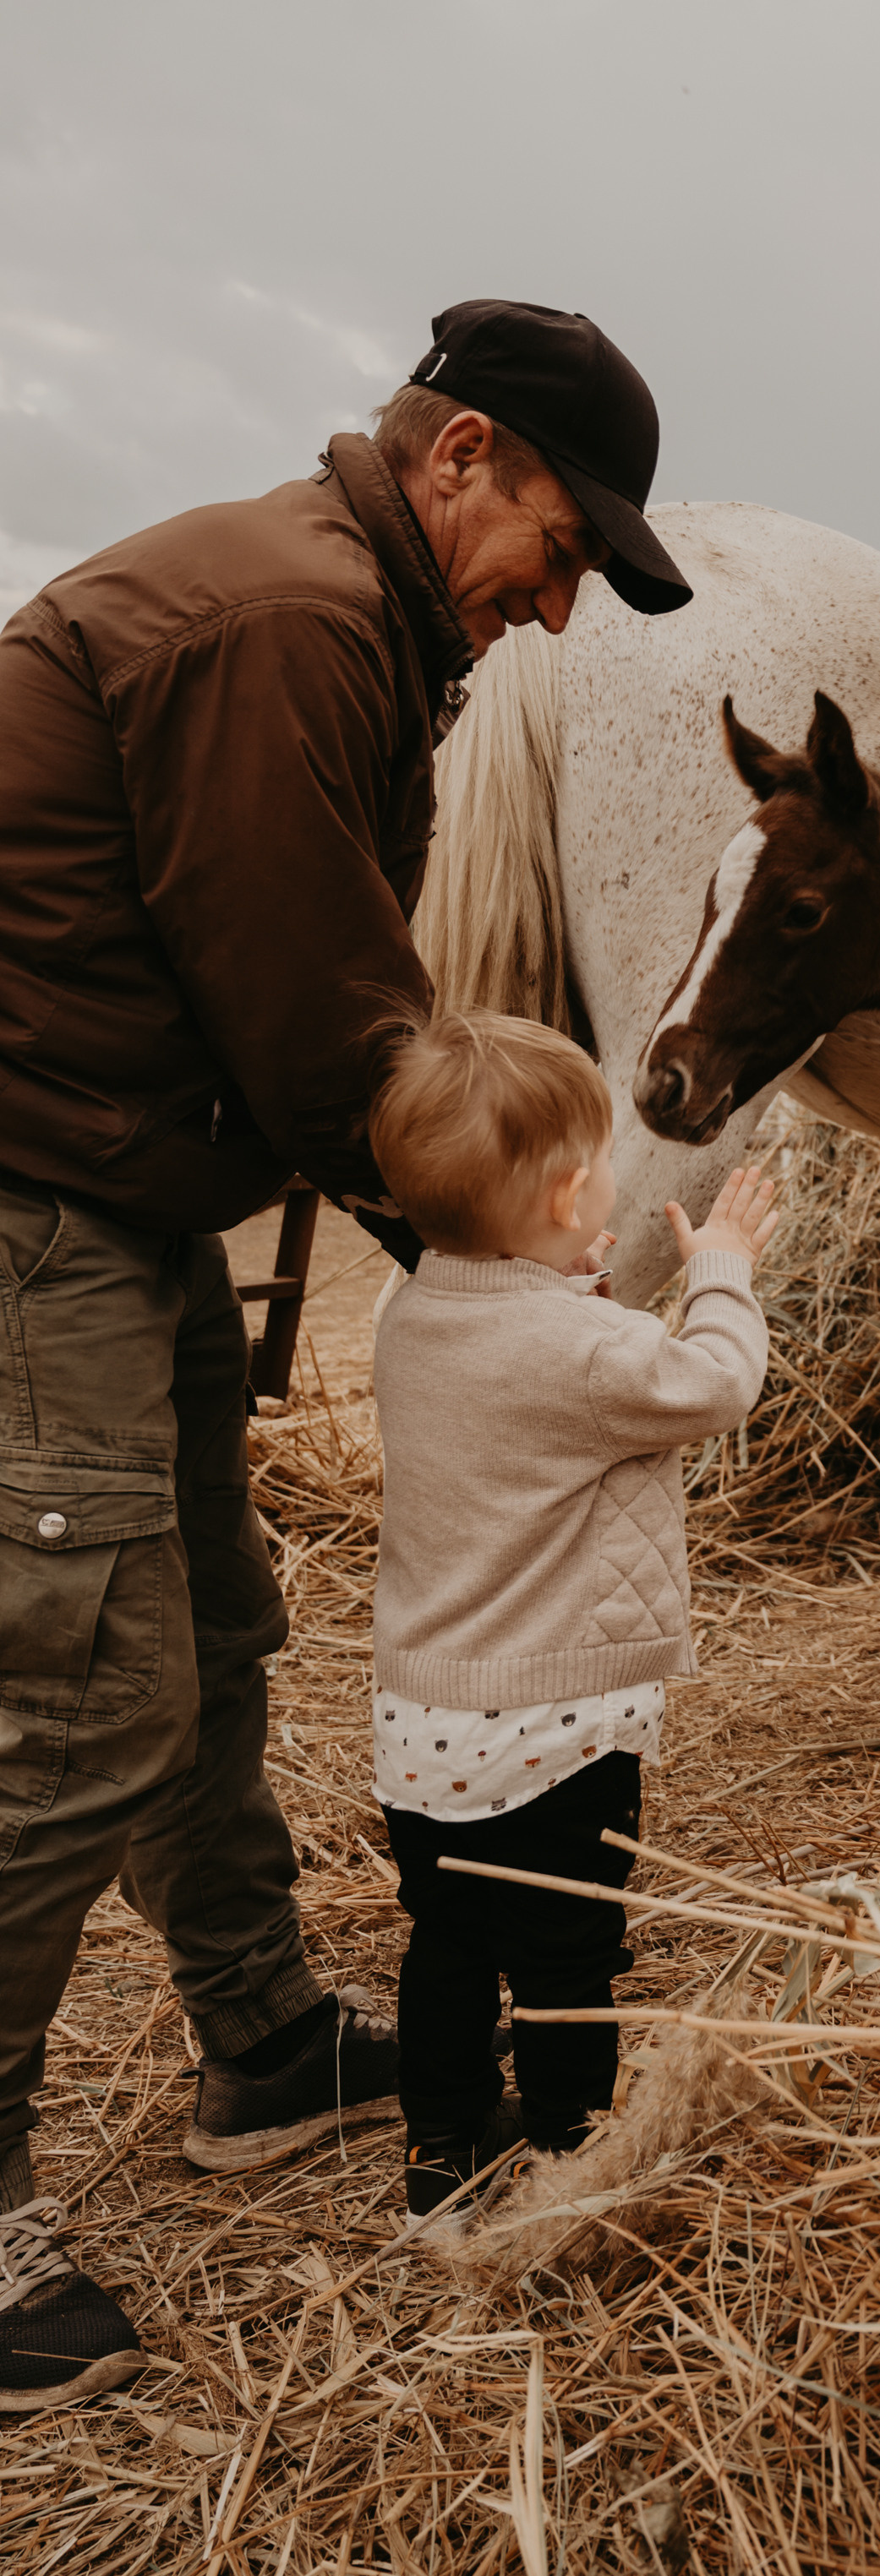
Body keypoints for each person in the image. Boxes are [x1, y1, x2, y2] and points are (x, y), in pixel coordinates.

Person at [0, 299, 692, 2409]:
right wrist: (510, 1265)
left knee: (203, 1632)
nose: (556, 609)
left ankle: (261, 2043)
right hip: (34, 1199)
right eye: (558, 551)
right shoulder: (292, 622)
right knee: (78, 1688)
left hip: (115, 1189)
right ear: (459, 457)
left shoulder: (358, 627)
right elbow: (327, 1030)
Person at [363, 1013, 773, 2230]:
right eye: (601, 1161)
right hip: (560, 1728)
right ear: (559, 1195)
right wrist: (724, 1271)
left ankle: (438, 2152)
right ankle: (566, 2148)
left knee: (446, 1942)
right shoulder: (590, 1348)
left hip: (422, 1723)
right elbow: (715, 1383)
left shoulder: (408, 1319)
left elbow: (517, 1357)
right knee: (564, 1959)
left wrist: (567, 1278)